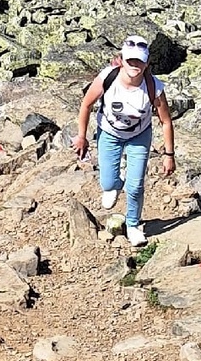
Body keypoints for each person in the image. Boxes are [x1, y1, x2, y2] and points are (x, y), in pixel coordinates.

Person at [73, 35, 175, 249]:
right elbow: (86, 105)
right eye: (130, 61)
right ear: (122, 60)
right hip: (109, 133)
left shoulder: (153, 87)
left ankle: (133, 225)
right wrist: (82, 137)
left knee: (136, 185)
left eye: (139, 61)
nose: (135, 65)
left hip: (139, 135)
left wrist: (169, 155)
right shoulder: (107, 78)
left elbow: (166, 121)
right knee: (108, 184)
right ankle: (116, 184)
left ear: (147, 63)